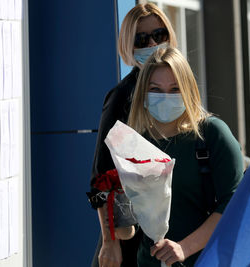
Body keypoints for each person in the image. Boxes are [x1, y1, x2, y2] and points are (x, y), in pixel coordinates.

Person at [127, 47, 244, 267]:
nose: (165, 97)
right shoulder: (135, 142)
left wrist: (184, 247)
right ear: (143, 93)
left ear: (189, 91)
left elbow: (235, 202)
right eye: (155, 89)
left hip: (205, 261)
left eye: (175, 89)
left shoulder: (212, 134)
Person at [88, 3, 178, 267]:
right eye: (141, 39)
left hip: (174, 240)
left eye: (159, 34)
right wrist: (109, 242)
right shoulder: (123, 98)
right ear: (129, 47)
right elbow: (99, 178)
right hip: (131, 244)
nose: (152, 43)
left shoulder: (180, 90)